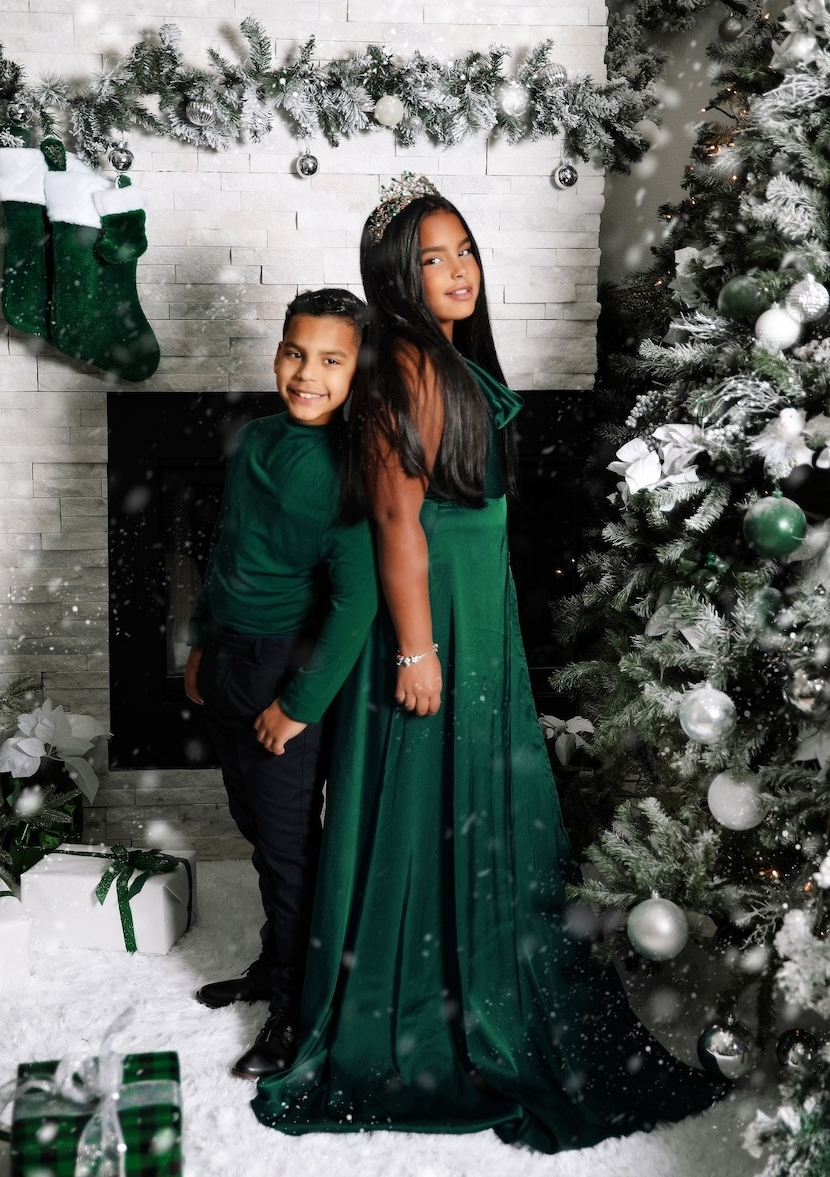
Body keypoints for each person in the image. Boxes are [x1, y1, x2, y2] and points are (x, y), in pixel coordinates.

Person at [250, 176, 725, 1151]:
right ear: (396, 275)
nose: (457, 270)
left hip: (469, 606)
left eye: (463, 249)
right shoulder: (404, 366)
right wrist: (417, 648)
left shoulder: (443, 359)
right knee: (429, 793)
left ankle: (459, 960)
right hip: (433, 620)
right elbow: (395, 521)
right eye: (432, 258)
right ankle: (419, 989)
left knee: (468, 795)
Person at [185, 287, 377, 1080]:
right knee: (256, 829)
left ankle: (297, 1013)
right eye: (295, 353)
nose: (307, 374)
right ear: (277, 354)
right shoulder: (256, 439)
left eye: (331, 361)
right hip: (228, 655)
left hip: (282, 670)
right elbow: (228, 548)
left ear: (357, 371)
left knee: (292, 852)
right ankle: (273, 966)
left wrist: (296, 707)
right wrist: (199, 640)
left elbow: (357, 602)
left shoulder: (350, 469)